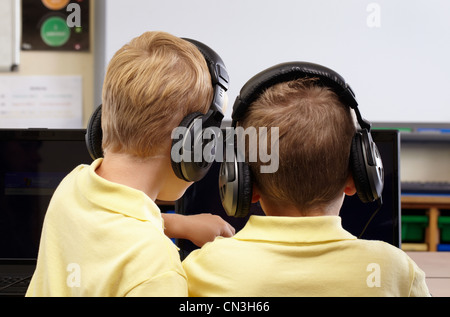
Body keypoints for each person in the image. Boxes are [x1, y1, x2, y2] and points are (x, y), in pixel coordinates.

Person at [182, 62, 431, 297]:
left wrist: (172, 223)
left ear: (245, 183)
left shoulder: (205, 267)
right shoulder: (395, 271)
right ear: (357, 176)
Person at [26, 31, 234, 297]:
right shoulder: (156, 268)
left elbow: (112, 223)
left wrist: (179, 223)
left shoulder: (72, 187)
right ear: (192, 147)